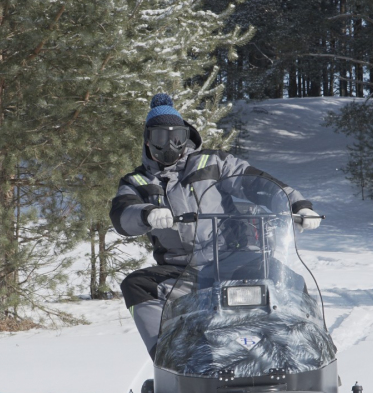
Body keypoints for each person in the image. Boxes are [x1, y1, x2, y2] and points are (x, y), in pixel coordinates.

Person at [109, 94, 321, 358]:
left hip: (233, 259)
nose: (170, 145)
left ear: (187, 136)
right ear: (148, 140)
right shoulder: (138, 181)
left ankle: (311, 349)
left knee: (289, 279)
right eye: (161, 137)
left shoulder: (214, 163)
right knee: (136, 285)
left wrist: (297, 205)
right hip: (182, 271)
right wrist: (146, 213)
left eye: (177, 136)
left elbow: (257, 183)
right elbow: (122, 214)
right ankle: (167, 357)